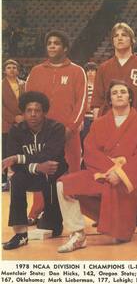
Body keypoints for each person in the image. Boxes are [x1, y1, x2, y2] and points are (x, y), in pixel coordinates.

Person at [56, 79, 137, 253]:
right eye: (114, 93)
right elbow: (90, 151)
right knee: (63, 184)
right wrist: (109, 171)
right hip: (100, 174)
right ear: (109, 100)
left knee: (119, 237)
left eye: (123, 92)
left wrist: (120, 174)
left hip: (128, 179)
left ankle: (120, 225)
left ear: (130, 97)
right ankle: (77, 233)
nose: (119, 95)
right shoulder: (99, 123)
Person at [91, 22, 137, 228]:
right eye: (116, 35)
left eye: (124, 35)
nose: (120, 38)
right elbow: (97, 100)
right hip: (110, 125)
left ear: (132, 40)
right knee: (107, 170)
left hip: (135, 125)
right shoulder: (104, 67)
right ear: (112, 41)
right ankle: (106, 212)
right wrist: (96, 124)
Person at [25, 30, 87, 228]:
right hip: (41, 134)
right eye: (49, 43)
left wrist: (70, 128)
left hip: (69, 134)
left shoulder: (77, 71)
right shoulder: (36, 71)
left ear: (65, 48)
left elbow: (82, 102)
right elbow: (28, 102)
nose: (52, 46)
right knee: (41, 171)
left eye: (56, 43)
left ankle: (73, 217)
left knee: (71, 173)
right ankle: (37, 211)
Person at [2, 91, 67, 250]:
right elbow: (12, 162)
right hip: (29, 173)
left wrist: (20, 158)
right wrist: (35, 166)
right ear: (23, 113)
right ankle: (20, 234)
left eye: (37, 110)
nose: (33, 114)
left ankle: (49, 217)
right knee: (16, 180)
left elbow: (51, 155)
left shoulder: (56, 128)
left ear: (44, 112)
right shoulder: (16, 130)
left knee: (54, 229)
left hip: (52, 172)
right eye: (29, 110)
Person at [2, 59, 25, 190]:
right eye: (9, 67)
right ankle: (4, 180)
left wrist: (23, 117)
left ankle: (21, 178)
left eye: (14, 67)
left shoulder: (24, 84)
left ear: (18, 70)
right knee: (5, 152)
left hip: (23, 122)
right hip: (6, 124)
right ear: (4, 70)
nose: (12, 69)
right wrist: (13, 118)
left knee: (22, 151)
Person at [80, 62, 97, 153]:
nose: (90, 72)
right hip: (86, 117)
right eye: (88, 70)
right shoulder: (83, 86)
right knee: (85, 138)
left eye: (93, 70)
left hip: (97, 117)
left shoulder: (99, 86)